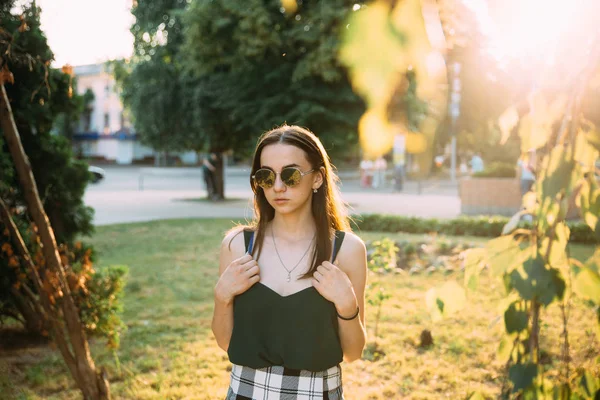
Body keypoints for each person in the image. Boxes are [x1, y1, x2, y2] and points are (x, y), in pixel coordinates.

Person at [212, 125, 367, 399]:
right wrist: (222, 296)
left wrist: (347, 304)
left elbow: (353, 352)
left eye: (291, 175)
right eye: (266, 176)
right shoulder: (237, 246)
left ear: (317, 178)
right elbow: (226, 343)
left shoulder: (347, 250)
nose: (278, 187)